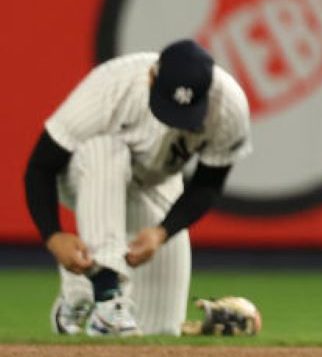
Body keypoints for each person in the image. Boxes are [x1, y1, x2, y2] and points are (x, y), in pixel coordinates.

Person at [22, 40, 252, 337]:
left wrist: (162, 232)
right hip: (83, 175)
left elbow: (208, 185)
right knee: (105, 150)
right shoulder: (111, 87)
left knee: (159, 331)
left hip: (156, 182)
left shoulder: (229, 107)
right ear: (151, 77)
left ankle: (80, 287)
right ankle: (105, 298)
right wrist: (53, 236)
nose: (175, 121)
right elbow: (40, 167)